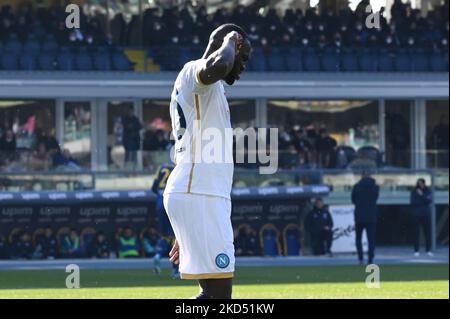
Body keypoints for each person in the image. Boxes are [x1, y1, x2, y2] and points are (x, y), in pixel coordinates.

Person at [163, 23, 252, 299]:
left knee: (214, 294)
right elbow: (220, 64)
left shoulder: (205, 88)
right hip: (200, 193)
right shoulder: (195, 71)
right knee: (219, 297)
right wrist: (230, 39)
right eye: (243, 57)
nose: (242, 65)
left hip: (199, 194)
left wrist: (188, 226)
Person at [151, 160, 179, 278]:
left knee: (164, 235)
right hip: (171, 198)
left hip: (159, 200)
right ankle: (175, 269)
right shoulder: (178, 166)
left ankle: (158, 254)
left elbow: (153, 187)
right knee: (176, 235)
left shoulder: (161, 166)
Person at [351, 171, 379, 265]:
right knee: (371, 239)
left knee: (358, 238)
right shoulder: (375, 187)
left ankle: (360, 258)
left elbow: (353, 199)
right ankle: (370, 259)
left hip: (359, 216)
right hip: (371, 216)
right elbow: (375, 198)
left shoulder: (357, 186)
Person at [410, 179, 433, 257]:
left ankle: (428, 250)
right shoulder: (414, 191)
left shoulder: (428, 190)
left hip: (426, 214)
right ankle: (416, 250)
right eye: (419, 183)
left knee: (427, 233)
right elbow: (413, 202)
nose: (420, 185)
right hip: (416, 215)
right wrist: (423, 200)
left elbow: (429, 200)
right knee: (416, 233)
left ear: (424, 183)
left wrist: (421, 195)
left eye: (421, 183)